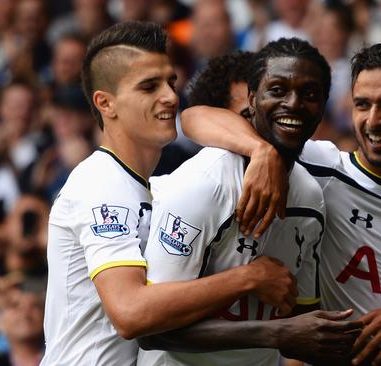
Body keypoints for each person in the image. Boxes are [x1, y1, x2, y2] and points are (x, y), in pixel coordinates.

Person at [181, 42, 381, 364]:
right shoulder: (316, 167)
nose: (374, 120)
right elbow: (195, 116)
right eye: (363, 104)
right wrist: (260, 150)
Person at [41, 21, 297, 366]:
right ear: (106, 103)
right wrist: (248, 278)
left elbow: (196, 117)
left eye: (171, 82)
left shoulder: (154, 187)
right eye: (149, 87)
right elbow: (130, 313)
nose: (171, 97)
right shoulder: (100, 184)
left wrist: (261, 151)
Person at [138, 39, 360, 366]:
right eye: (278, 90)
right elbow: (151, 329)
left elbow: (305, 327)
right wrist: (275, 331)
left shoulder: (311, 194)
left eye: (309, 94)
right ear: (253, 99)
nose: (294, 103)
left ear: (324, 104)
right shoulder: (204, 183)